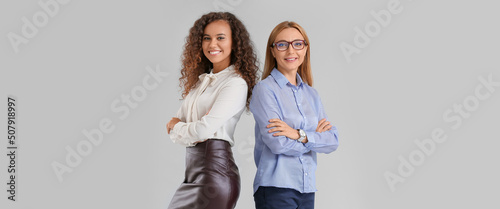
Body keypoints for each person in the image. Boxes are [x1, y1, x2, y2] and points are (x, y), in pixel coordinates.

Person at [166, 12, 258, 209]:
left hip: (215, 174)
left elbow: (200, 131)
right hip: (192, 172)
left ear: (235, 43)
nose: (212, 44)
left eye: (220, 38)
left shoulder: (235, 83)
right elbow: (177, 127)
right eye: (206, 38)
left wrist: (180, 127)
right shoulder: (200, 83)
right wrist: (184, 128)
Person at [250, 21, 339, 209]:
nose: (291, 51)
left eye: (298, 44)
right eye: (282, 45)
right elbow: (278, 144)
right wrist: (314, 139)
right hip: (276, 188)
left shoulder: (312, 95)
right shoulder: (264, 90)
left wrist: (298, 134)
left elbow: (332, 141)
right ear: (273, 51)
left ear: (305, 49)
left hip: (307, 189)